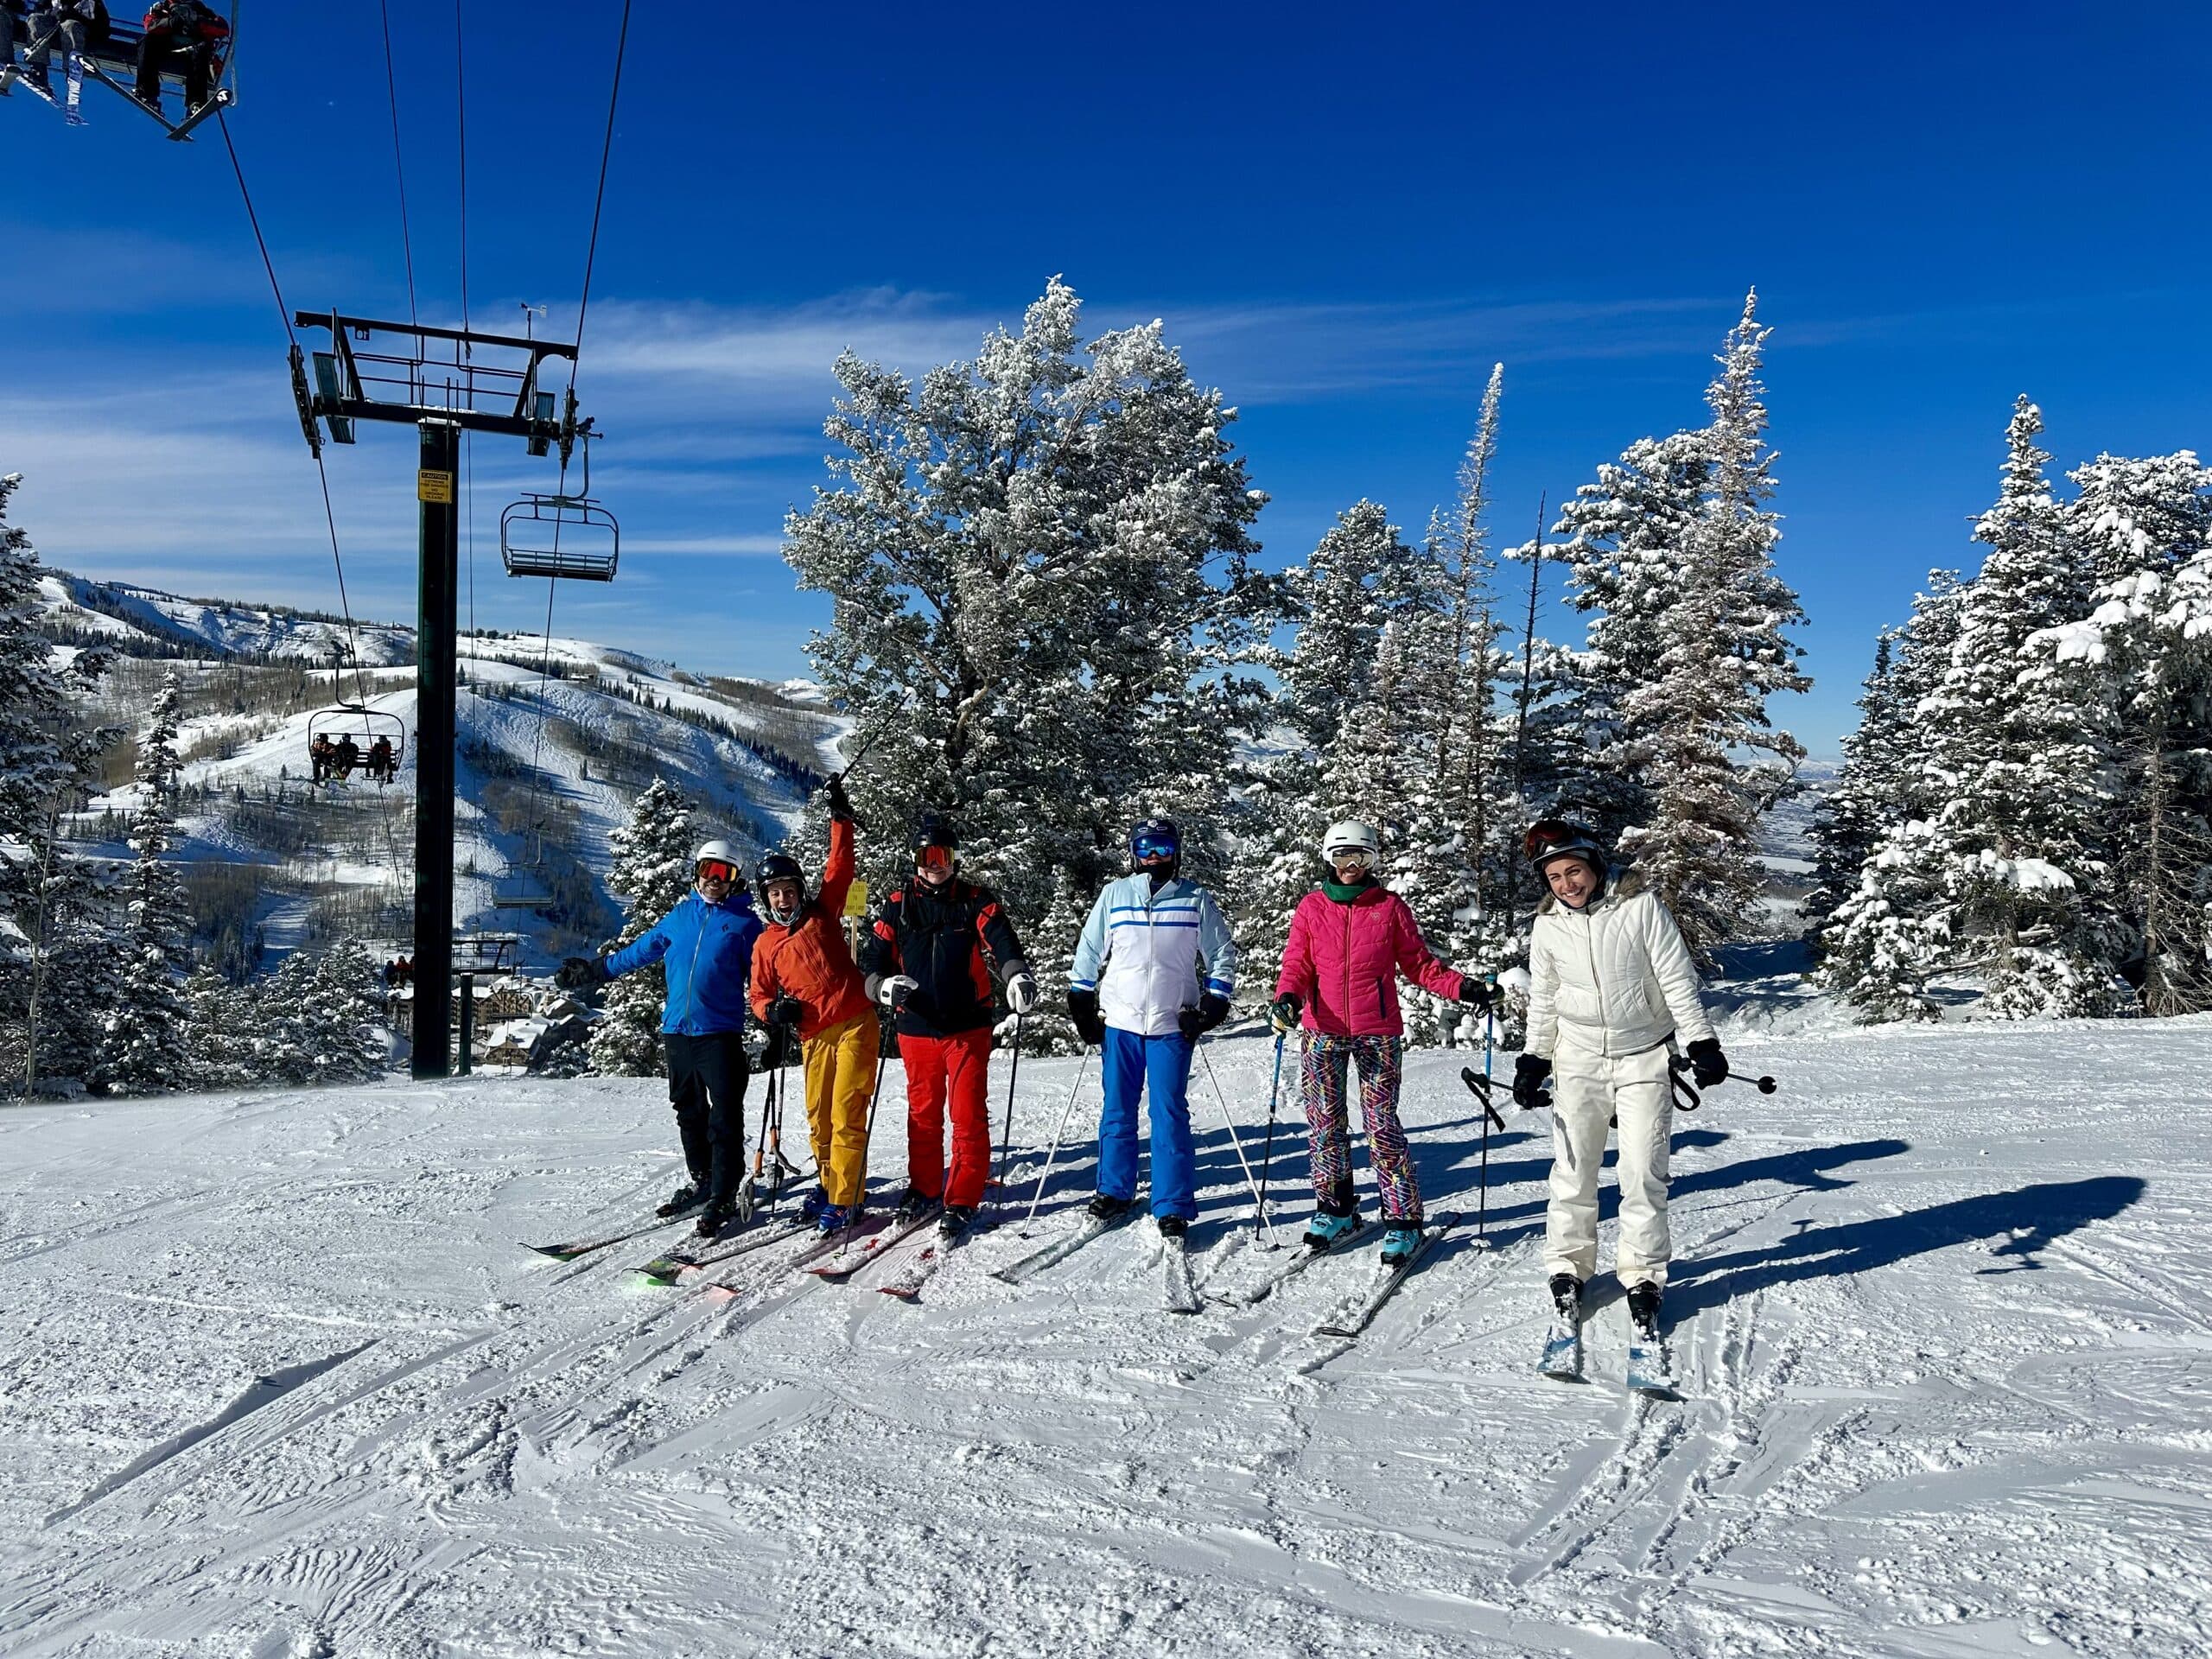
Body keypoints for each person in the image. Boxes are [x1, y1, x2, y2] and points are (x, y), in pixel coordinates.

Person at [1515, 819, 1727, 1349]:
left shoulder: (1640, 908)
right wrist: (1534, 1058)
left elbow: (1676, 978)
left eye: (1575, 871)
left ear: (1594, 864)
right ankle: (1568, 1268)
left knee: (1642, 1172)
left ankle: (1643, 1277)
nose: (1568, 884)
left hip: (1644, 1057)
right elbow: (1545, 997)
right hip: (1578, 1059)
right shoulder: (1547, 927)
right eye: (1556, 877)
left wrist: (1701, 1042)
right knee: (1573, 1170)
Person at [1270, 820, 1492, 1266]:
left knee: (1381, 1126)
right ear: (1328, 859)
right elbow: (1297, 964)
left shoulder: (1389, 907)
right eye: (1342, 858)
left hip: (1377, 1031)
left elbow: (1420, 965)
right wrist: (1287, 998)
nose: (1351, 866)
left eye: (1361, 858)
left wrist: (1461, 988)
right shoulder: (1312, 908)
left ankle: (1404, 1219)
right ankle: (1336, 1209)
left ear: (1373, 861)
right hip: (1321, 1029)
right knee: (1325, 1123)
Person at [558, 839, 763, 1237]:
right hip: (678, 1032)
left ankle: (722, 1192)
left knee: (724, 1116)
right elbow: (641, 951)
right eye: (708, 870)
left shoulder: (746, 925)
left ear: (736, 880)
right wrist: (597, 971)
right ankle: (702, 1178)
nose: (714, 880)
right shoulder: (681, 915)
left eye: (724, 874)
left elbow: (763, 977)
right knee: (687, 1110)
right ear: (697, 871)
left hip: (719, 1034)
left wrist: (773, 1016)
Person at [859, 812, 1038, 1243]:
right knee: (922, 1116)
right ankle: (923, 1189)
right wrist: (881, 987)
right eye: (926, 855)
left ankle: (962, 1197)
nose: (934, 864)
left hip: (966, 1027)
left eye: (942, 855)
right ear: (915, 859)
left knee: (967, 1113)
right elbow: (872, 960)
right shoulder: (898, 903)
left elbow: (1003, 941)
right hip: (916, 1027)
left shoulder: (975, 899)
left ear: (954, 859)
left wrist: (1015, 975)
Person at [1066, 817, 1237, 1239]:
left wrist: (1214, 1003)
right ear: (1133, 854)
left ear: (1175, 852)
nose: (1154, 857)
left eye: (1161, 848)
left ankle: (1173, 1202)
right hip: (1121, 1023)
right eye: (1145, 849)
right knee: (1118, 1110)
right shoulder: (1115, 895)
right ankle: (1114, 1189)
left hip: (1170, 1024)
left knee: (1169, 1113)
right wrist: (1082, 1000)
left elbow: (1221, 952)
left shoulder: (1194, 898)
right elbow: (1089, 949)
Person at [749, 777, 876, 1234]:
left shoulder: (822, 912)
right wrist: (772, 1013)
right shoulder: (766, 944)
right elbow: (759, 995)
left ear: (799, 890)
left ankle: (847, 1198)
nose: (783, 898)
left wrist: (839, 818)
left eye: (788, 889)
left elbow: (839, 868)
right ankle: (828, 1182)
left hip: (854, 1022)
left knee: (845, 1112)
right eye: (774, 893)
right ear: (766, 899)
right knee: (819, 1119)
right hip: (813, 1036)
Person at [136, 0, 224, 114]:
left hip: (193, 49)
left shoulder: (201, 10)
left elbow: (222, 28)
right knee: (147, 41)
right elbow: (151, 25)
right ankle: (147, 93)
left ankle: (196, 102)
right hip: (168, 47)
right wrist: (172, 22)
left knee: (200, 52)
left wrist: (198, 21)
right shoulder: (162, 8)